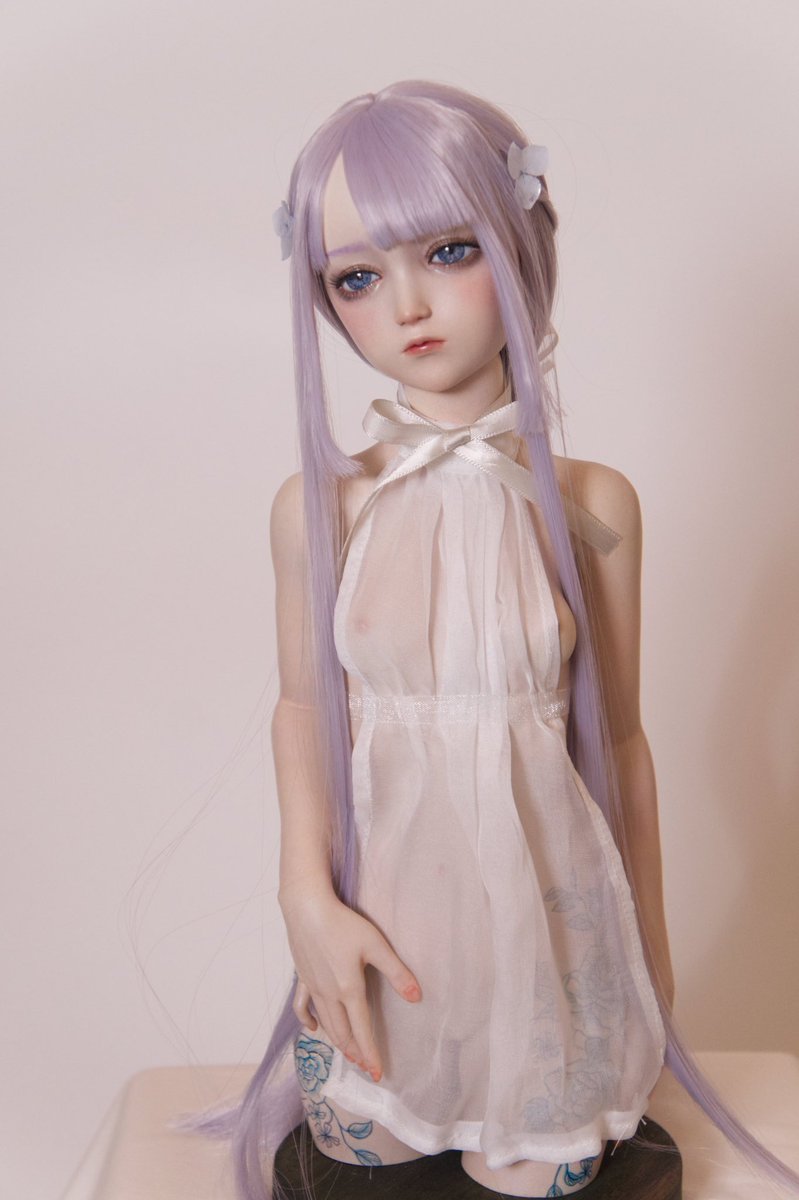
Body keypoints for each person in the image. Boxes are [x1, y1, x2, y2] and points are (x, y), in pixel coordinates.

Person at [201, 81, 799, 1200]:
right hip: (387, 944)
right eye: (357, 278)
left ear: (518, 243)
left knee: (536, 1173)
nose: (408, 305)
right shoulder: (321, 509)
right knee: (358, 1155)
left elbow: (619, 745)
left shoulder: (590, 505)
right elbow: (301, 711)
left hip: (549, 950)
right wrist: (303, 898)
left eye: (449, 250)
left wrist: (646, 956)